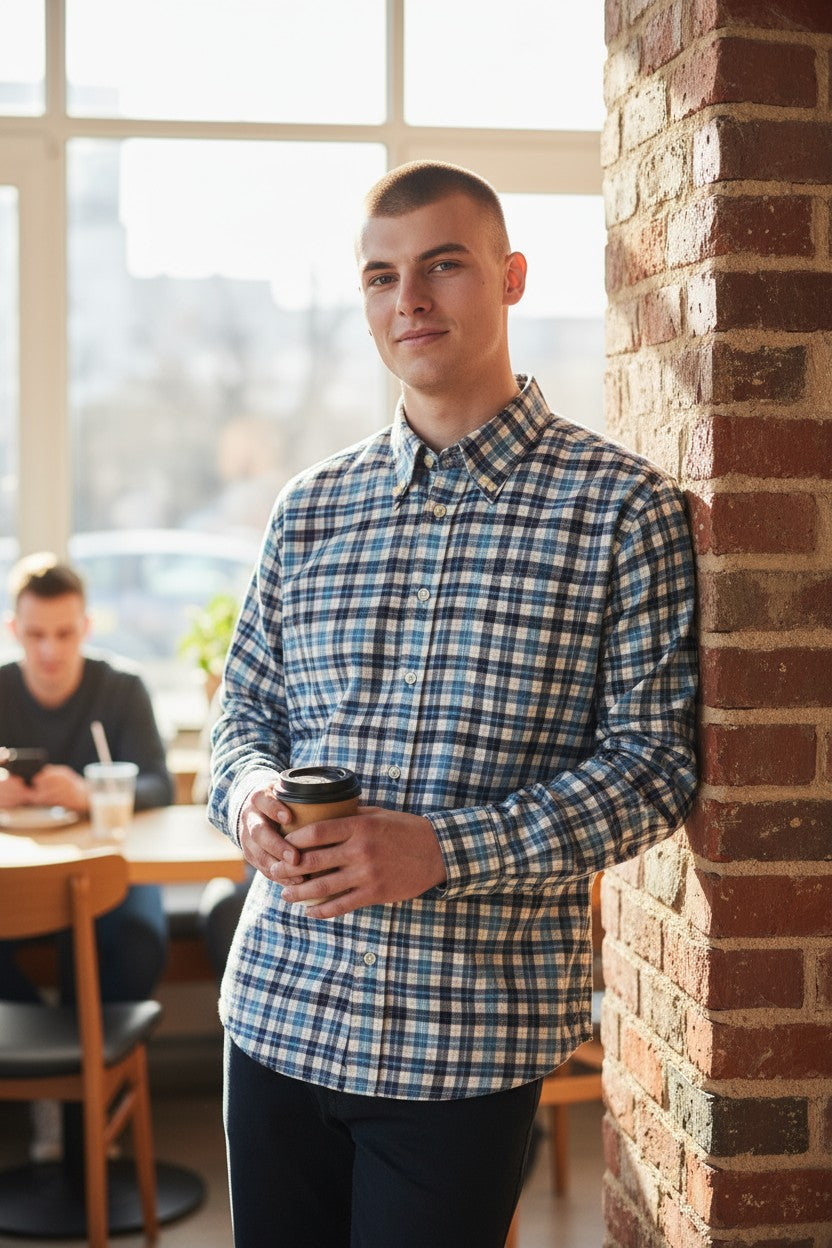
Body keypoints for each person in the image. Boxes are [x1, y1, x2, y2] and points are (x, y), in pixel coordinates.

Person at [209, 161, 698, 1248]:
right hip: (278, 1013)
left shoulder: (621, 509)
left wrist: (446, 848)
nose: (409, 301)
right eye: (381, 277)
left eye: (442, 266)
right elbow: (238, 724)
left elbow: (654, 767)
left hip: (463, 1040)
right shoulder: (310, 508)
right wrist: (246, 800)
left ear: (512, 277)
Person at [0, 555, 173, 1158]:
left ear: (87, 626)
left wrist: (92, 789)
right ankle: (50, 1091)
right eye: (36, 634)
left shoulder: (120, 689)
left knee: (129, 939)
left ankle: (88, 1116)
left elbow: (160, 784)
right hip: (16, 883)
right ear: (13, 629)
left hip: (111, 877)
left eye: (64, 633)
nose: (50, 651)